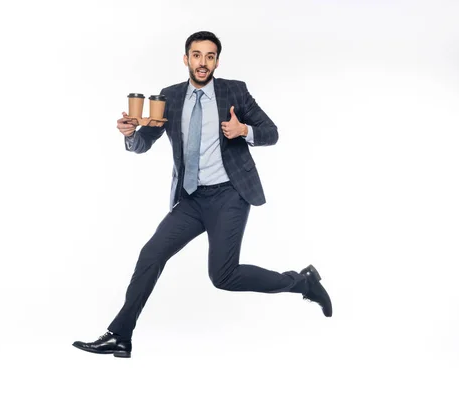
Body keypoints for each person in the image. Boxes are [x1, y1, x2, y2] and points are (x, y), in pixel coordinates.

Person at [73, 31, 332, 358]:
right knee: (151, 254)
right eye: (197, 55)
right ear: (186, 59)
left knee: (224, 276)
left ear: (216, 61)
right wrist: (130, 134)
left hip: (230, 196)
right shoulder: (168, 97)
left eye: (210, 56)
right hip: (192, 200)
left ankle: (301, 283)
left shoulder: (234, 91)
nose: (203, 62)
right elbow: (143, 144)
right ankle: (120, 336)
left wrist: (244, 131)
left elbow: (272, 133)